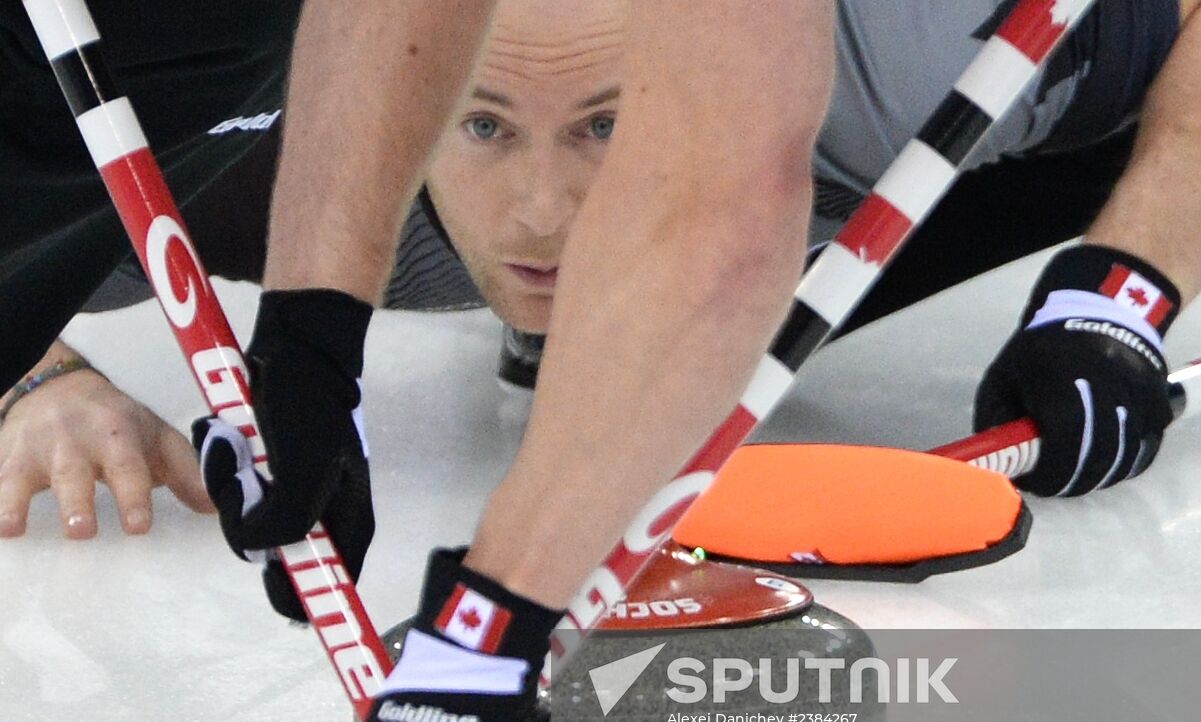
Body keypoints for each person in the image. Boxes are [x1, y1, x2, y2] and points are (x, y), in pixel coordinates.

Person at [2, 0, 1197, 540]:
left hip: (849, 182)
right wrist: (42, 373)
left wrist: (1126, 289)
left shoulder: (908, 59)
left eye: (605, 123)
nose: (543, 211)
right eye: (481, 124)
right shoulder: (253, 169)